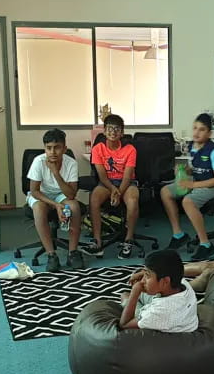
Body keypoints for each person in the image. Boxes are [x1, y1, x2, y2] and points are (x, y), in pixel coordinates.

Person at [161, 113, 214, 262]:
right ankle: (178, 234)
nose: (196, 133)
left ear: (209, 133)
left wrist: (192, 185)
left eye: (202, 130)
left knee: (188, 201)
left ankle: (205, 244)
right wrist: (185, 171)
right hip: (200, 180)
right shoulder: (193, 145)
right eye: (195, 128)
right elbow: (195, 167)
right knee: (165, 191)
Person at [26, 128, 83, 272]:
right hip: (41, 195)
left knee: (74, 207)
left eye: (57, 147)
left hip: (61, 194)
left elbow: (71, 195)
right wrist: (56, 205)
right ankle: (51, 255)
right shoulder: (38, 162)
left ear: (64, 148)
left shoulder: (71, 163)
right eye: (48, 148)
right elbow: (34, 191)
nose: (52, 152)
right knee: (39, 209)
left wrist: (55, 172)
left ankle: (73, 253)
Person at [83, 114, 139, 260]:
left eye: (117, 129)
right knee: (94, 198)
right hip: (106, 182)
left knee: (133, 200)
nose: (113, 132)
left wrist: (118, 192)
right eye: (109, 129)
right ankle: (97, 241)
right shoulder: (98, 149)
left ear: (122, 132)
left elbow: (127, 176)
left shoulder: (130, 149)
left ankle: (129, 239)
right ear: (104, 131)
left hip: (126, 183)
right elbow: (101, 175)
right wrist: (113, 190)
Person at [122, 250, 199, 333]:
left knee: (125, 295)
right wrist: (143, 273)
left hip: (162, 317)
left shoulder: (158, 312)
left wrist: (134, 293)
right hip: (175, 314)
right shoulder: (183, 284)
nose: (142, 280)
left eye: (147, 275)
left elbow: (124, 324)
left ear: (165, 281)